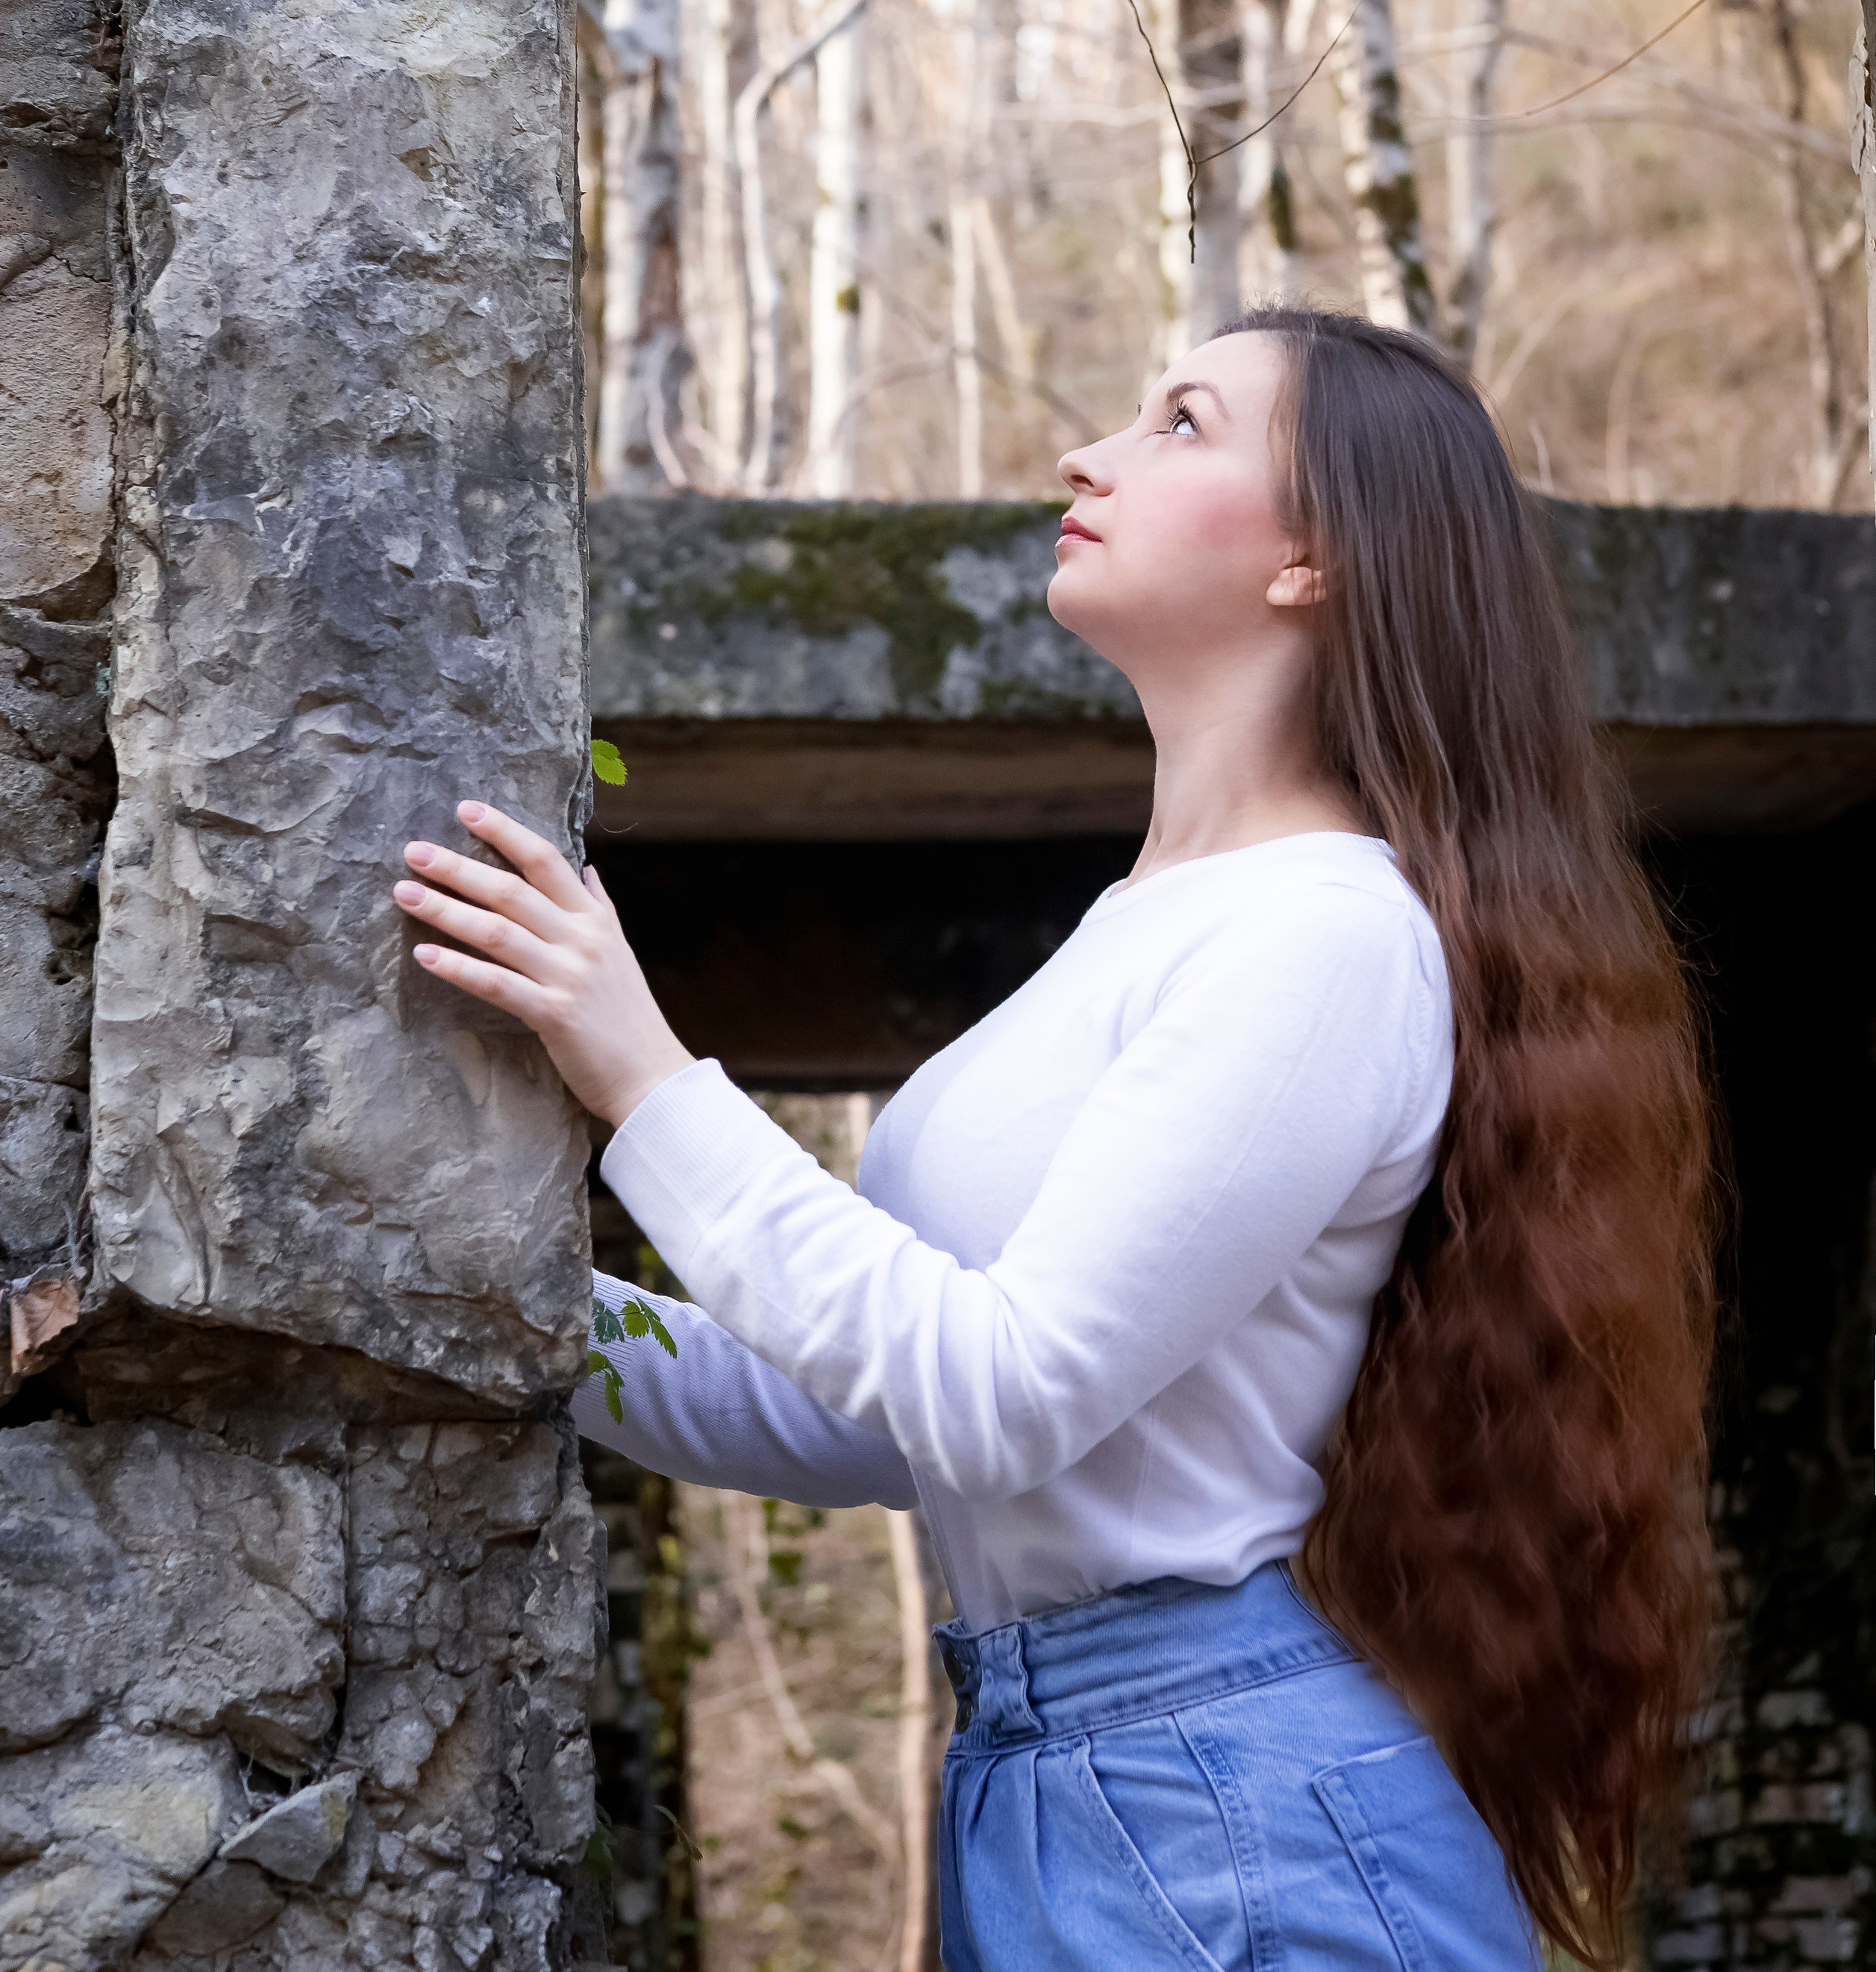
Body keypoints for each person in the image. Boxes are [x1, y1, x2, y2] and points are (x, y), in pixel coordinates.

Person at [393, 307, 1716, 1971]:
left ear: (1315, 557)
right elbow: (880, 1414)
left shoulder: (1324, 940)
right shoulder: (1153, 926)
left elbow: (999, 1391)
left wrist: (645, 1074)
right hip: (1076, 1781)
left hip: (1224, 1812)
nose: (1086, 452)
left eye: (1180, 421)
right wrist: (437, 1281)